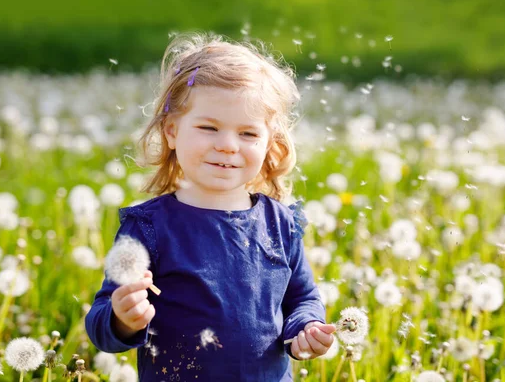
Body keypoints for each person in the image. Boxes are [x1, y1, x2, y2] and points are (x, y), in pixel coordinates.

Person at [85, 32, 335, 381]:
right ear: (171, 131)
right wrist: (122, 319)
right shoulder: (149, 228)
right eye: (208, 127)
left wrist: (305, 329)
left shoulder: (281, 223)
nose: (228, 145)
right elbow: (100, 322)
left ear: (269, 143)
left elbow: (302, 299)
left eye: (248, 134)